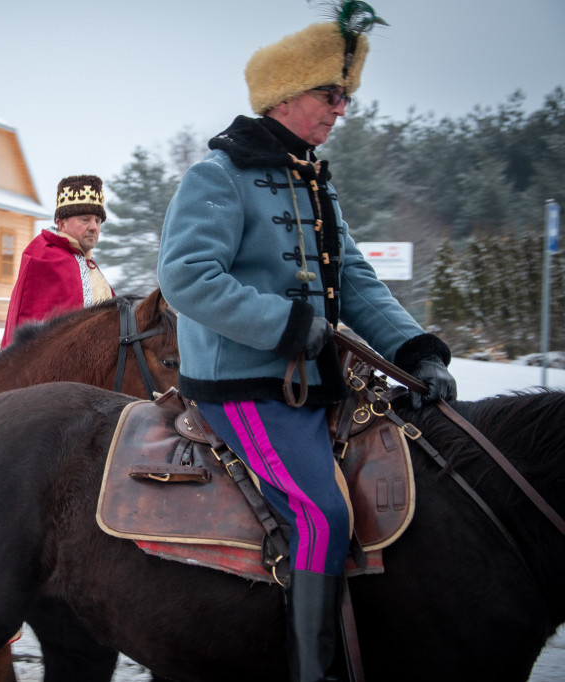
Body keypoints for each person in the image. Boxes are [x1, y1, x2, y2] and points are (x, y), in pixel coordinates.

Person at [156, 5, 456, 681]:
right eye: (332, 95)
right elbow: (185, 278)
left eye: (345, 96)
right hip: (244, 386)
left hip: (316, 383)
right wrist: (287, 327)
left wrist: (416, 352)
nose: (341, 110)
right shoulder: (219, 175)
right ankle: (308, 671)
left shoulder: (312, 180)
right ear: (288, 95)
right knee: (322, 512)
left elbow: (355, 279)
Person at [0, 174, 113, 349]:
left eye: (97, 221)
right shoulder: (44, 257)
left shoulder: (90, 267)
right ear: (62, 224)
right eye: (85, 219)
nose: (94, 227)